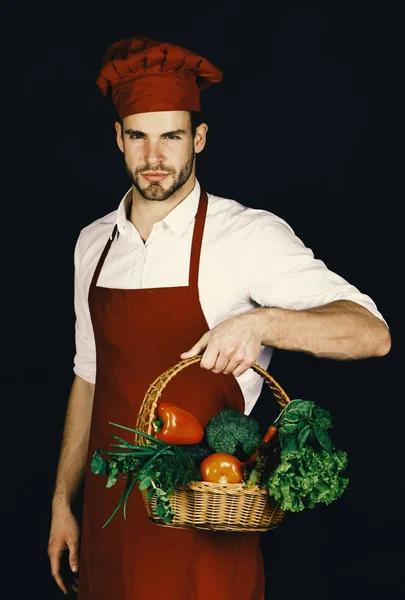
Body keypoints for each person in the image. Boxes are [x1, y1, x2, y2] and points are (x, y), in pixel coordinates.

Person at [47, 35, 391, 600]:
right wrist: (64, 503)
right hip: (112, 519)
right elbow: (89, 377)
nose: (154, 157)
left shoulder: (247, 236)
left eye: (171, 136)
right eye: (138, 136)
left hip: (206, 521)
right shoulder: (92, 245)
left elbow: (370, 333)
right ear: (118, 139)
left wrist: (261, 324)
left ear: (199, 139)